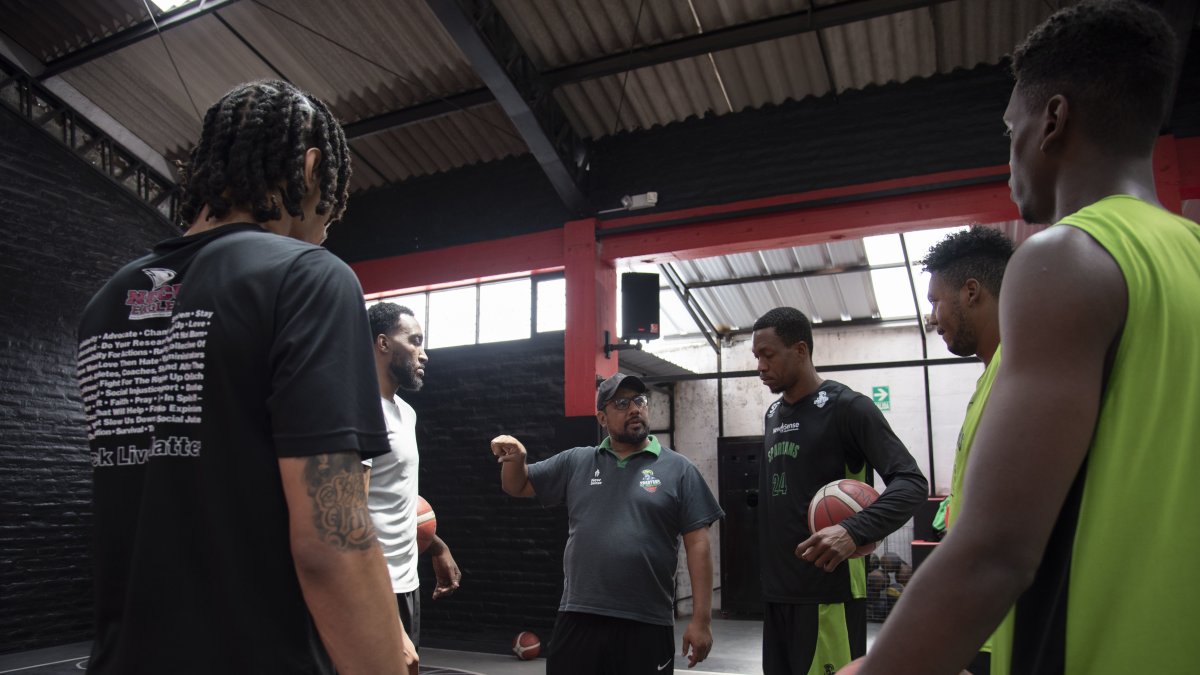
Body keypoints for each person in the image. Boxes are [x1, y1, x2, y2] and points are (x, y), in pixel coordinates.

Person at [855, 2, 1200, 674]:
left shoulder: (1065, 256)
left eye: (1011, 128)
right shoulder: (1190, 252)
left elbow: (995, 551)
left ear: (1053, 121)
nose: (1008, 148)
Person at [76, 80, 415, 674]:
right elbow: (332, 541)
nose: (327, 227)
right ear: (310, 170)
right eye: (330, 211)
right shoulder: (309, 276)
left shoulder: (107, 303)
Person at [490, 373, 724, 674]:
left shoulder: (679, 470)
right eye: (622, 403)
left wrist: (701, 620)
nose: (635, 409)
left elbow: (699, 545)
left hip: (647, 621)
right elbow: (517, 486)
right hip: (580, 615)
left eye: (640, 401)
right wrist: (516, 460)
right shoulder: (577, 461)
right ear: (602, 417)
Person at [750, 306, 928, 674]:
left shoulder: (849, 408)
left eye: (768, 355)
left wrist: (853, 529)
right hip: (777, 595)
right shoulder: (772, 415)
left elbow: (911, 483)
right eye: (756, 357)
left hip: (828, 592)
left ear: (800, 350)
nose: (760, 367)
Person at [922, 226, 1015, 675]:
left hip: (1005, 622)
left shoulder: (1020, 373)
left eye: (935, 301)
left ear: (971, 292)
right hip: (982, 622)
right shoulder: (991, 377)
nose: (932, 318)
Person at [366, 301, 462, 648]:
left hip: (407, 584)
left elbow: (394, 497)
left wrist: (436, 546)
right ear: (383, 343)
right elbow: (349, 517)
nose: (424, 354)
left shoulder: (406, 413)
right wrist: (386, 619)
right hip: (372, 591)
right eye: (415, 340)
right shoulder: (360, 412)